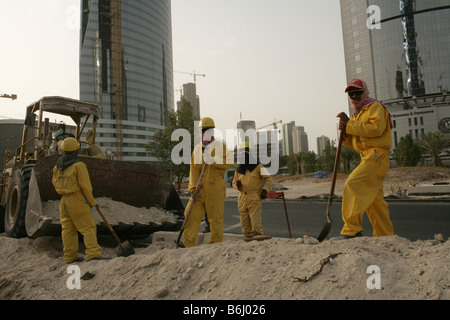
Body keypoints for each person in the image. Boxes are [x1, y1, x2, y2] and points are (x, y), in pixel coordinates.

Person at [336, 78, 394, 238]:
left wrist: (349, 125)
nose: (355, 96)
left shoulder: (375, 107)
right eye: (352, 94)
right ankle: (385, 235)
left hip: (376, 156)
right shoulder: (357, 116)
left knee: (353, 184)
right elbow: (356, 143)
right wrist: (345, 135)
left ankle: (352, 230)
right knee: (375, 202)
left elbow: (375, 129)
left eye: (358, 93)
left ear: (365, 92)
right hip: (367, 156)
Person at [182, 117, 233, 248]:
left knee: (215, 219)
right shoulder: (198, 149)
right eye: (202, 130)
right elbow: (193, 169)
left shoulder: (220, 146)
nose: (204, 132)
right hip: (199, 189)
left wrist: (213, 160)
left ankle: (215, 245)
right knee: (190, 214)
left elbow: (229, 162)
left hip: (215, 187)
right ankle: (188, 244)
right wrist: (193, 187)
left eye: (207, 130)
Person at [52, 137, 104, 263]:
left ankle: (70, 256)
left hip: (64, 201)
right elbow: (86, 187)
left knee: (68, 230)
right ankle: (93, 254)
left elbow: (54, 183)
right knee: (88, 228)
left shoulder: (57, 167)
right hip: (77, 200)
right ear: (76, 151)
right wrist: (92, 202)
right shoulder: (79, 166)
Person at [232, 142, 273, 237]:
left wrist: (265, 190)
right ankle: (248, 239)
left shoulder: (258, 166)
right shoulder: (239, 169)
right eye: (241, 154)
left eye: (246, 153)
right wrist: (238, 186)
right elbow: (234, 182)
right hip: (242, 198)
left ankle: (258, 238)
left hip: (254, 197)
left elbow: (268, 178)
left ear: (250, 153)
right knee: (245, 224)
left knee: (255, 224)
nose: (244, 155)